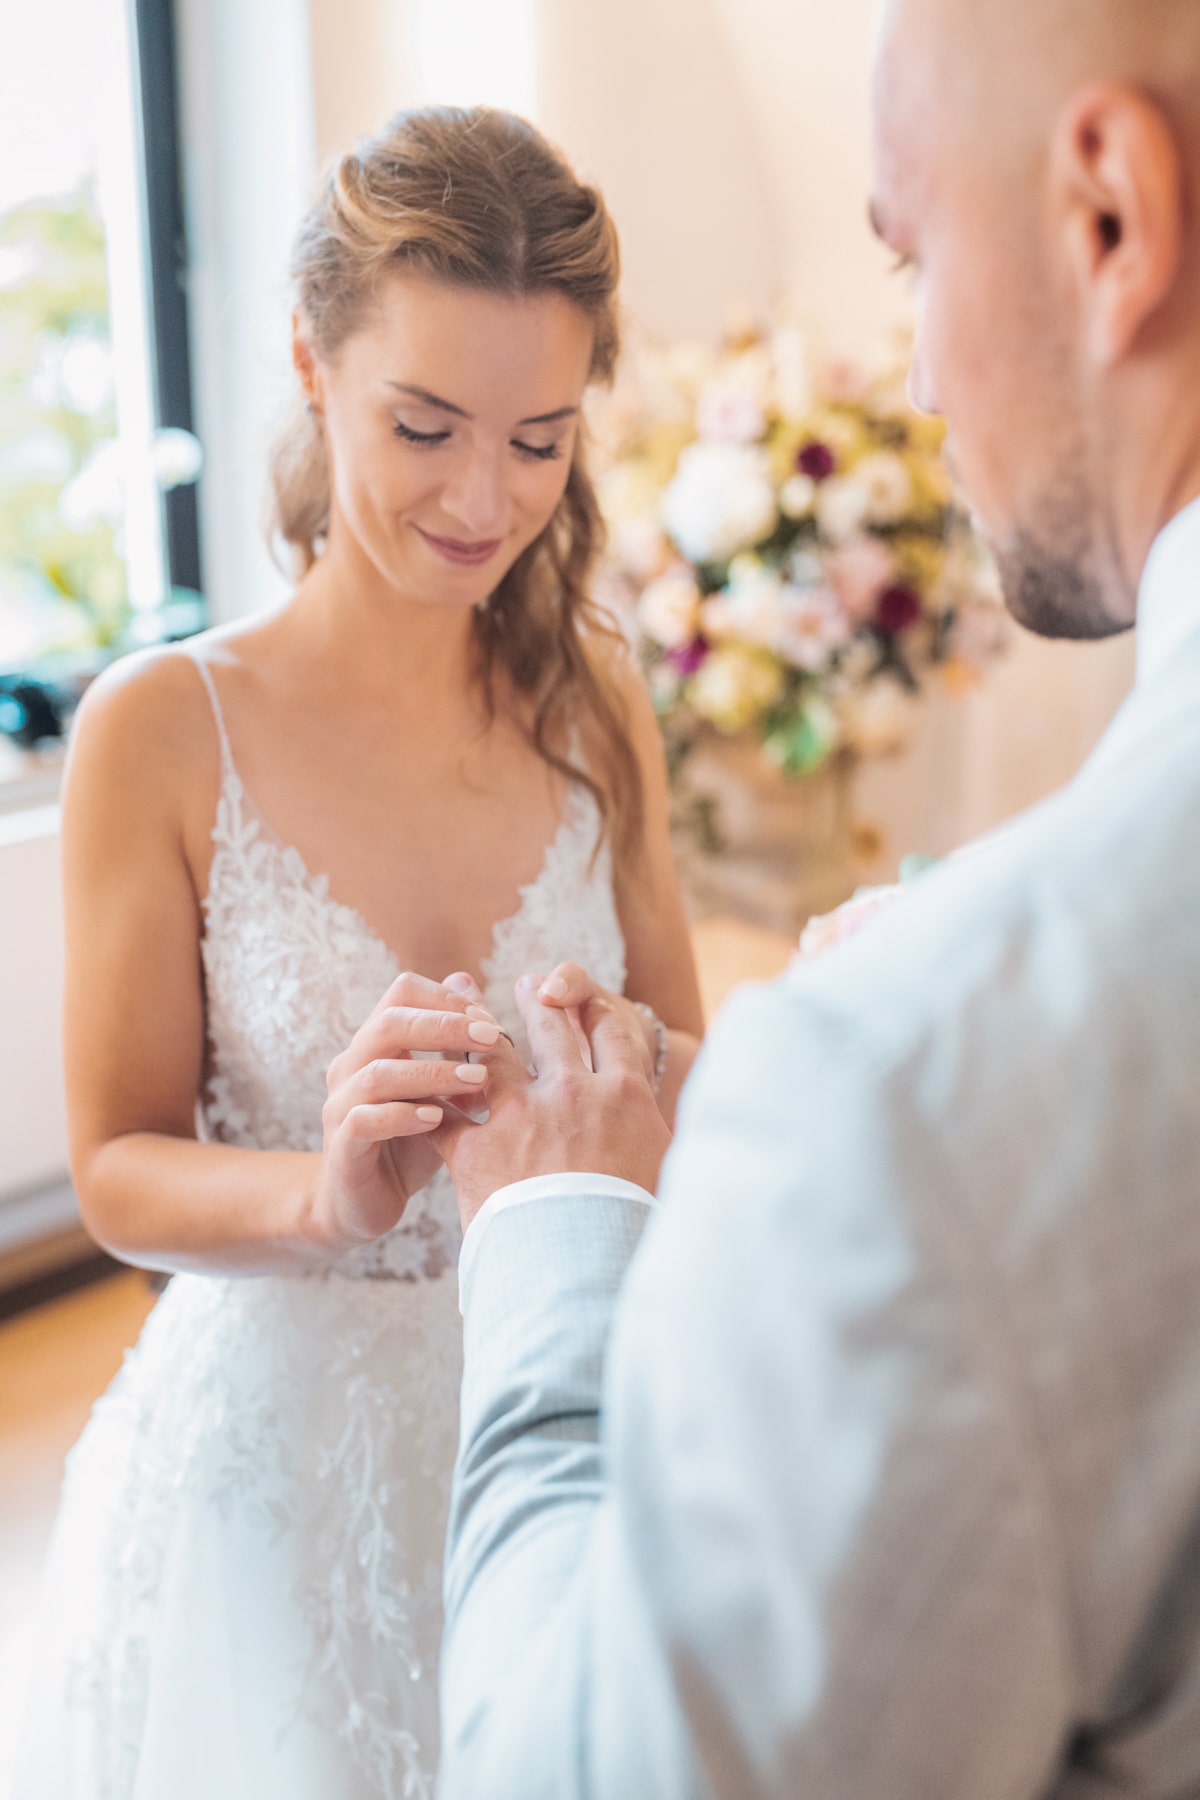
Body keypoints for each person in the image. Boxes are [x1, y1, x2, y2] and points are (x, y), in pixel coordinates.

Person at [427, 3, 1200, 1795]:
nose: (919, 380)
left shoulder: (913, 1091)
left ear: (1110, 217)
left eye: (913, 258)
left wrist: (553, 1235)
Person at [13, 107, 703, 1800]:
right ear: (310, 364)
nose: (486, 500)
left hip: (573, 1410)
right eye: (425, 426)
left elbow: (685, 1070)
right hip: (279, 1485)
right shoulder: (161, 728)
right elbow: (114, 1169)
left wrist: (648, 1069)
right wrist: (327, 1195)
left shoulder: (595, 698)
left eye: (540, 441)